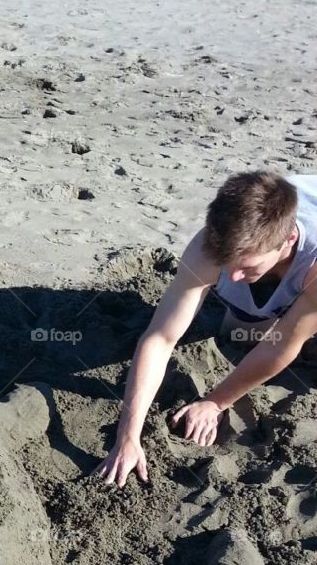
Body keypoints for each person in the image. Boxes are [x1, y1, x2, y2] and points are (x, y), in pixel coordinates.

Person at [94, 172, 317, 488]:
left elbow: (281, 348)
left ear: (289, 240)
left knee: (294, 332)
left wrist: (215, 402)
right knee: (241, 332)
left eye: (247, 267)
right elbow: (160, 338)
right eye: (228, 263)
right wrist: (128, 437)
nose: (234, 276)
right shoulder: (208, 247)